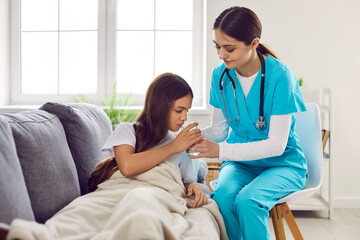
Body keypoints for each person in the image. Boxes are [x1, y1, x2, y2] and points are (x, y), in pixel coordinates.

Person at [188, 6, 308, 240]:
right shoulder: (220, 76)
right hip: (241, 164)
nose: (222, 55)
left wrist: (220, 151)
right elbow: (220, 130)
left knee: (248, 200)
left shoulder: (280, 76)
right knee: (221, 197)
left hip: (282, 164)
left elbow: (276, 145)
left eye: (229, 48)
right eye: (218, 47)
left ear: (253, 43)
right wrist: (189, 136)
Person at [88, 72, 209, 207]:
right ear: (160, 106)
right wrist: (173, 147)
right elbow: (127, 167)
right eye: (179, 110)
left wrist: (192, 185)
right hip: (124, 196)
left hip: (158, 200)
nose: (184, 117)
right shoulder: (128, 130)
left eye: (187, 111)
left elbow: (181, 183)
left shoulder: (182, 146)